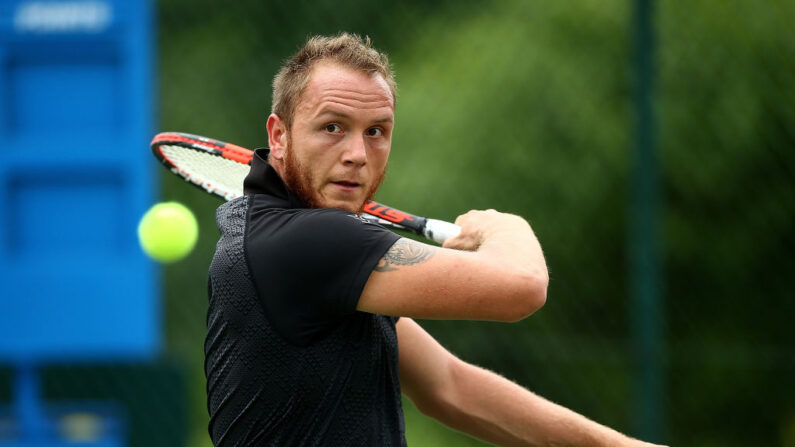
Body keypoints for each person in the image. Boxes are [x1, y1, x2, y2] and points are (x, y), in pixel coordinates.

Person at [205, 33, 666, 447]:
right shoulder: (306, 242)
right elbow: (522, 286)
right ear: (279, 136)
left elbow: (449, 386)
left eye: (376, 132)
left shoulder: (299, 247)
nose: (356, 155)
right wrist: (502, 225)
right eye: (332, 127)